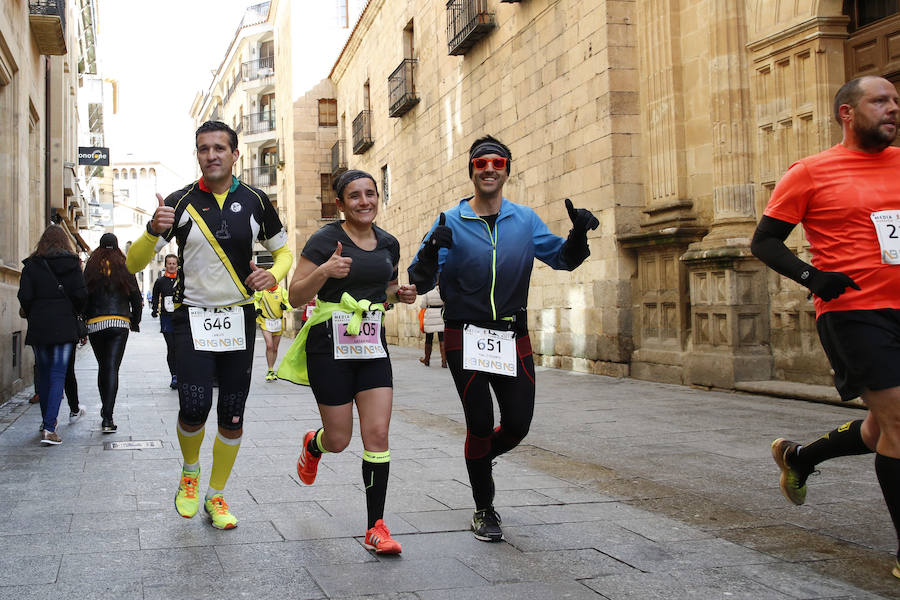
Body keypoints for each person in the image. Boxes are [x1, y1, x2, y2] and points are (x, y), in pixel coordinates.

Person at [407, 135, 598, 542]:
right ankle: (484, 509)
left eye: (497, 162)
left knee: (517, 425)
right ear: (471, 171)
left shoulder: (525, 220)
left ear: (507, 170)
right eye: (480, 163)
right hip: (465, 333)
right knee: (479, 423)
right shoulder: (450, 220)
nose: (489, 168)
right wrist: (428, 255)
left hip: (512, 334)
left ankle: (480, 458)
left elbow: (563, 259)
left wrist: (579, 234)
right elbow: (418, 277)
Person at [750, 75, 900, 579]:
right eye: (880, 100)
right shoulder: (811, 172)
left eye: (896, 101)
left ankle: (799, 456)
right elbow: (765, 242)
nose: (892, 108)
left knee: (884, 427)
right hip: (855, 314)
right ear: (847, 112)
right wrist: (815, 277)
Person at [126, 120, 292, 530]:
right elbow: (132, 263)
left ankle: (216, 496)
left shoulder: (256, 200)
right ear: (197, 155)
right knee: (194, 407)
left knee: (232, 414)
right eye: (204, 149)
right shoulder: (180, 202)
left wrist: (273, 275)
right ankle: (190, 472)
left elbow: (284, 252)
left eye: (220, 148)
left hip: (239, 317)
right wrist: (152, 230)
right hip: (191, 318)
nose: (212, 154)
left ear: (236, 154)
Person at [278, 169, 417, 554]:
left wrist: (398, 294)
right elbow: (293, 295)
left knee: (377, 435)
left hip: (371, 345)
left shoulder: (388, 242)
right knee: (339, 439)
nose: (364, 201)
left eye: (370, 194)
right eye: (354, 196)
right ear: (340, 204)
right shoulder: (326, 240)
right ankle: (314, 444)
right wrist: (324, 271)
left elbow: (383, 291)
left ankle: (376, 527)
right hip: (329, 344)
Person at [17, 225, 88, 445]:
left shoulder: (32, 265)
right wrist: (76, 312)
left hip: (40, 324)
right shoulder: (72, 264)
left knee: (45, 373)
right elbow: (81, 295)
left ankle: (46, 422)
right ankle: (49, 427)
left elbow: (24, 296)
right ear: (64, 242)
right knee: (58, 373)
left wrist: (35, 314)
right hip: (64, 324)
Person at [84, 233, 142, 433]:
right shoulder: (124, 265)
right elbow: (135, 296)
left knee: (103, 367)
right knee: (112, 368)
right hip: (119, 322)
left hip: (95, 323)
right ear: (117, 246)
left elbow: (84, 295)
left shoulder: (91, 266)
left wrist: (84, 320)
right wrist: (135, 320)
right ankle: (107, 416)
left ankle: (105, 410)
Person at [151, 253, 180, 389]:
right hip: (167, 318)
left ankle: (182, 374)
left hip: (181, 317)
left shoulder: (182, 280)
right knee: (172, 347)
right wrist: (154, 310)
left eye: (174, 263)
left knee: (182, 348)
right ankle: (174, 375)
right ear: (166, 265)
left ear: (177, 265)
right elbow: (156, 295)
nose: (172, 266)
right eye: (169, 263)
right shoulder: (160, 281)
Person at [253, 283, 292, 381]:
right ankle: (270, 369)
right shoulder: (261, 290)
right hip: (265, 321)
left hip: (278, 322)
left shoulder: (282, 291)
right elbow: (255, 300)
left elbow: (290, 303)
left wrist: (286, 306)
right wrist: (257, 308)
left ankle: (271, 369)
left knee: (275, 348)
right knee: (269, 345)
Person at [419, 285, 446, 368]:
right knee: (442, 339)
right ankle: (444, 361)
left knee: (428, 339)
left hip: (430, 315)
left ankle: (427, 360)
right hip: (440, 315)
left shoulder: (427, 291)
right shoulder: (442, 290)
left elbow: (422, 305)